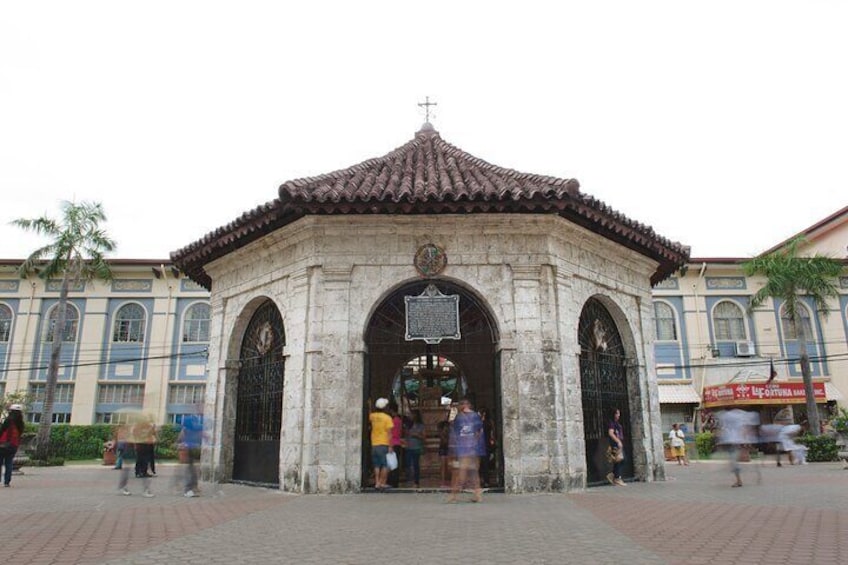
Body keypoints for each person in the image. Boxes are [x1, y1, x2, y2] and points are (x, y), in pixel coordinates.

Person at [447, 398, 485, 503]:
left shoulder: (459, 417)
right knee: (474, 472)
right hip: (475, 448)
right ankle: (477, 495)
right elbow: (479, 431)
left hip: (465, 448)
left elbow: (455, 433)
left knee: (461, 472)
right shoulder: (476, 416)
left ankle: (454, 495)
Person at [716, 408, 759, 487]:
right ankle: (739, 477)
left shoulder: (728, 416)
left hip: (733, 442)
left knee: (733, 461)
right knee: (734, 461)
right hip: (734, 442)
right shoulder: (738, 415)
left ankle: (739, 480)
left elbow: (723, 430)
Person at [368, 397, 393, 491]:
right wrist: (391, 446)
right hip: (384, 443)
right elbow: (390, 433)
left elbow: (369, 414)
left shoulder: (373, 416)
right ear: (385, 408)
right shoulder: (387, 418)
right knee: (385, 464)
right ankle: (382, 482)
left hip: (374, 443)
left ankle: (377, 482)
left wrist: (369, 405)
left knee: (376, 465)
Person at [179, 413, 203, 497]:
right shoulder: (185, 430)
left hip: (191, 452)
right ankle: (187, 490)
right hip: (187, 452)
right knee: (190, 471)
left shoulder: (193, 429)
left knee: (194, 471)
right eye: (193, 421)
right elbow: (180, 441)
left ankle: (193, 487)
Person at [0, 404, 25, 487]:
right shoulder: (20, 423)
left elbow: (2, 430)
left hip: (3, 444)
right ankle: (7, 482)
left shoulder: (8, 420)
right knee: (9, 463)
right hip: (13, 445)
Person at [405, 410, 425, 488]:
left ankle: (416, 481)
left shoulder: (421, 426)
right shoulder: (408, 425)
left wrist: (416, 435)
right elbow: (406, 435)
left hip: (416, 447)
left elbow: (424, 437)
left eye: (413, 415)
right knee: (408, 464)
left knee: (416, 465)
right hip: (409, 447)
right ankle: (409, 479)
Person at [606, 408, 626, 486]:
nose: (619, 415)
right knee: (621, 460)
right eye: (617, 413)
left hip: (618, 443)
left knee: (619, 460)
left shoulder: (616, 423)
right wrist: (618, 441)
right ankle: (617, 477)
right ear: (613, 414)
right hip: (615, 444)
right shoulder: (612, 423)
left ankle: (613, 476)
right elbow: (611, 433)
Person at [478, 407, 496, 487]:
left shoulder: (481, 423)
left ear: (483, 413)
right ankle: (485, 481)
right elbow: (492, 433)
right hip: (487, 444)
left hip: (482, 444)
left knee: (482, 464)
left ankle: (483, 480)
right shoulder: (490, 422)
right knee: (485, 464)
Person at [387, 403, 404, 488]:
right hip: (398, 443)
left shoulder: (393, 421)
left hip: (392, 443)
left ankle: (391, 481)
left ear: (391, 410)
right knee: (395, 463)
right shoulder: (399, 420)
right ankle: (395, 481)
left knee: (391, 463)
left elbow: (390, 433)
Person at [438, 420, 451, 488]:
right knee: (443, 466)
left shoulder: (449, 433)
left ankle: (446, 481)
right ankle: (443, 481)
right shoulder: (443, 434)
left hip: (446, 449)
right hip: (443, 449)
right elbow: (444, 441)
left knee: (447, 466)